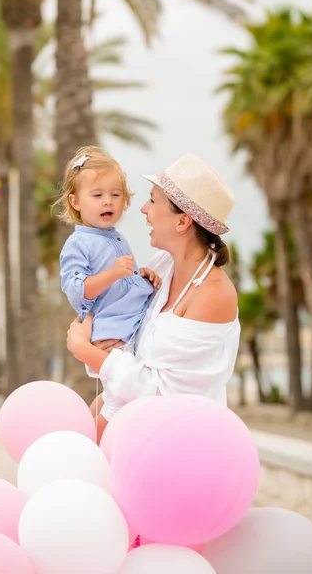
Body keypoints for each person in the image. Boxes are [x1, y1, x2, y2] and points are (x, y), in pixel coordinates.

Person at [66, 152, 241, 443]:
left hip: (174, 448)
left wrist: (87, 350)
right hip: (136, 434)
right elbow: (126, 330)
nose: (144, 209)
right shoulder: (163, 265)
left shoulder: (214, 294)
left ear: (183, 222)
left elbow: (163, 394)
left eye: (153, 200)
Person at [57, 146, 161, 428]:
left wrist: (141, 275)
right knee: (119, 401)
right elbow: (77, 290)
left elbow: (123, 282)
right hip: (110, 334)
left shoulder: (114, 237)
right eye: (98, 195)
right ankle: (95, 444)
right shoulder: (79, 243)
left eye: (116, 195)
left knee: (116, 398)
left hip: (126, 329)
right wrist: (114, 274)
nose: (108, 202)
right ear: (75, 201)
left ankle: (91, 437)